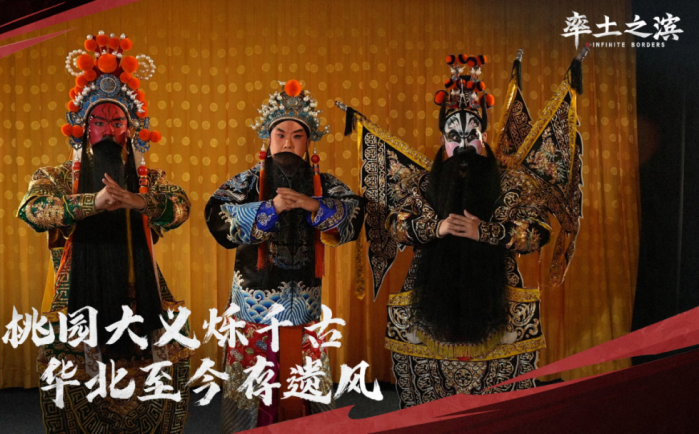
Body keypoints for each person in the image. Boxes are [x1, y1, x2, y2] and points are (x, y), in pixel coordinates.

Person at [346, 50, 585, 408]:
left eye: (471, 134)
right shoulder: (421, 183)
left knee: (499, 409)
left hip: (498, 304)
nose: (462, 143)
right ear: (443, 139)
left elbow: (538, 230)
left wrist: (486, 232)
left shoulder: (511, 182)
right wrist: (436, 227)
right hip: (429, 306)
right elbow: (395, 224)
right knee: (428, 405)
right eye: (453, 135)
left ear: (484, 137)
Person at [17, 30, 192, 432]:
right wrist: (90, 203)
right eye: (99, 122)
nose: (109, 131)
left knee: (160, 378)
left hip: (141, 295)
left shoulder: (147, 179)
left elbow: (181, 206)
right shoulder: (57, 176)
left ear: (131, 129)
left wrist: (139, 202)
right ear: (82, 127)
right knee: (74, 394)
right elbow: (33, 210)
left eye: (118, 122)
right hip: (75, 296)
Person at [205, 80, 365, 432]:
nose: (288, 142)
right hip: (254, 303)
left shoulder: (323, 183)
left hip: (304, 302)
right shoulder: (247, 182)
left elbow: (354, 213)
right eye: (280, 134)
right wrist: (270, 208)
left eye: (297, 136)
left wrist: (314, 206)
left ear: (308, 142)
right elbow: (217, 215)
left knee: (303, 385)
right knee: (253, 388)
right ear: (268, 138)